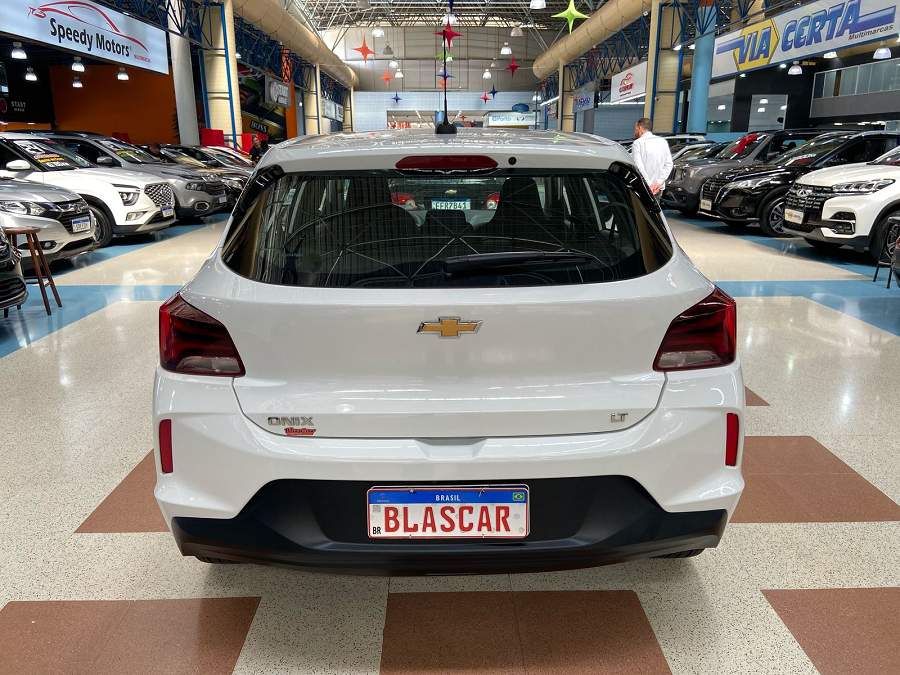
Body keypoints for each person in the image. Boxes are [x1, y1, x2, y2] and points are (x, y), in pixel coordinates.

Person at [631, 118, 673, 199]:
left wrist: (649, 186)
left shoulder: (637, 143)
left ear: (640, 128)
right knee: (656, 207)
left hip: (643, 188)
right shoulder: (663, 141)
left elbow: (638, 166)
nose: (634, 131)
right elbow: (669, 164)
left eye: (635, 129)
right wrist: (659, 182)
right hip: (658, 188)